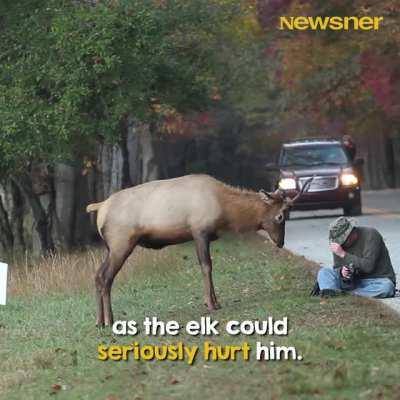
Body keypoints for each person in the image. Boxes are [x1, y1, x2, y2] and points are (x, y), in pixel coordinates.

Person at [316, 216, 396, 298]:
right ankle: (335, 292)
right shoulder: (338, 245)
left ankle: (341, 294)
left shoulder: (371, 235)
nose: (341, 244)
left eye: (343, 241)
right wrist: (342, 272)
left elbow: (368, 267)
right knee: (324, 272)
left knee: (387, 287)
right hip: (352, 282)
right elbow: (337, 268)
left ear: (351, 232)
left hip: (376, 280)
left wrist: (343, 254)